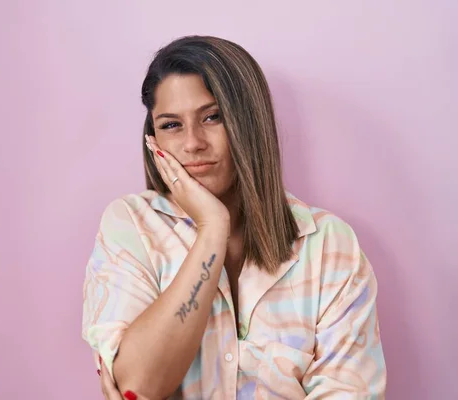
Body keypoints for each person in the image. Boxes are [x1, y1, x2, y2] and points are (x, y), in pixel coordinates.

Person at [81, 35, 386, 400]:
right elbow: (139, 386)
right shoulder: (131, 226)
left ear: (249, 123)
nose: (193, 143)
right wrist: (212, 230)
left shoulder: (328, 245)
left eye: (213, 117)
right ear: (154, 138)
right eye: (171, 125)